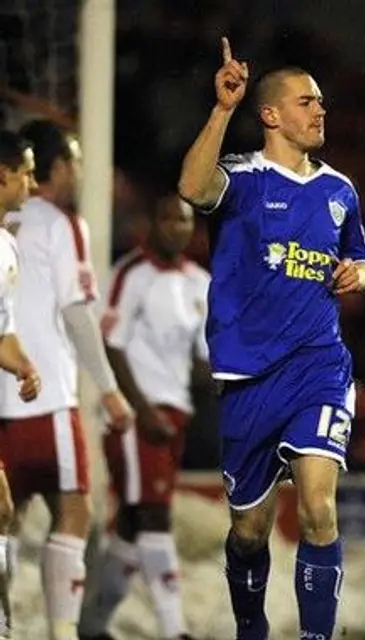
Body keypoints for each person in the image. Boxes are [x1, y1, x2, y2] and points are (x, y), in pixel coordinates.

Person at [178, 38, 365, 640]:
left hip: (319, 366)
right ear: (270, 114)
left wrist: (356, 274)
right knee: (249, 532)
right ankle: (249, 629)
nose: (320, 111)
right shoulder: (240, 178)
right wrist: (220, 110)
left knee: (318, 505)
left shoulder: (340, 190)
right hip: (248, 376)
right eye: (306, 101)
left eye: (322, 102)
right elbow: (191, 188)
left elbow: (361, 259)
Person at [0, 120, 134, 640]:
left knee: (7, 517)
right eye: (74, 161)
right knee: (74, 510)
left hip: (14, 388)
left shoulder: (9, 234)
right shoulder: (59, 222)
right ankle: (61, 633)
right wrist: (110, 390)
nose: (79, 172)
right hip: (46, 402)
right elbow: (77, 316)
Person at [78, 194, 210, 640]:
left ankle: (92, 624)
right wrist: (140, 407)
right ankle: (175, 630)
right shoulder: (130, 274)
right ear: (152, 222)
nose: (177, 227)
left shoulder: (199, 283)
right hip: (136, 416)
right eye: (169, 217)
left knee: (134, 526)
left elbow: (202, 358)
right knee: (154, 516)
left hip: (175, 412)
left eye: (185, 220)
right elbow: (111, 343)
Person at [0, 130, 42, 638]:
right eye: (27, 172)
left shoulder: (8, 247)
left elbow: (2, 333)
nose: (32, 183)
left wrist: (24, 367)